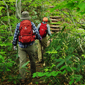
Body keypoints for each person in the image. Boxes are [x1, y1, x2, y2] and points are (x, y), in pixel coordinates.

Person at [12, 11, 42, 83]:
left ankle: (22, 78)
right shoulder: (31, 24)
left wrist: (14, 44)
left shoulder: (19, 25)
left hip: (21, 46)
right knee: (32, 60)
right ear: (28, 17)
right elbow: (37, 32)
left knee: (22, 62)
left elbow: (15, 35)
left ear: (22, 17)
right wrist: (39, 38)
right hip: (31, 45)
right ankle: (33, 75)